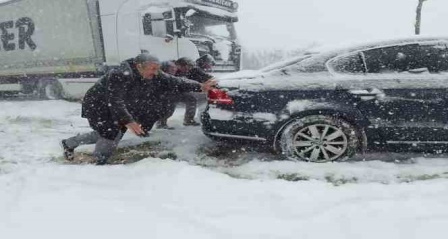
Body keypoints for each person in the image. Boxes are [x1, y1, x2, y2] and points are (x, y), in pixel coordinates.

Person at [60, 53, 216, 165]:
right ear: (139, 66)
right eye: (153, 69)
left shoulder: (153, 73)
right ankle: (99, 163)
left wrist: (200, 86)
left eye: (158, 69)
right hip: (99, 106)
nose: (156, 73)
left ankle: (69, 143)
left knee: (110, 133)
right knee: (110, 134)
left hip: (116, 106)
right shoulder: (120, 74)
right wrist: (129, 121)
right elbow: (115, 101)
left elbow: (174, 81)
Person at [157, 57, 216, 128]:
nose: (188, 70)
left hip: (177, 90)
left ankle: (188, 120)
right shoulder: (168, 67)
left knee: (191, 99)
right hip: (165, 91)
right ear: (180, 65)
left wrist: (213, 81)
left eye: (189, 68)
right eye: (186, 68)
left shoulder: (191, 69)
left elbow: (204, 76)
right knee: (170, 104)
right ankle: (161, 123)